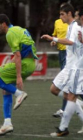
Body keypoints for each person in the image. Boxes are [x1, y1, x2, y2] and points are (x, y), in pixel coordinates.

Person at [0, 14, 37, 136]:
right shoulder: (19, 29)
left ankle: (19, 94)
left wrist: (19, 76)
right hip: (31, 63)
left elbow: (18, 55)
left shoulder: (10, 33)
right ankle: (7, 124)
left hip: (24, 63)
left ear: (3, 24)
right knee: (5, 90)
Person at [41, 3, 83, 136]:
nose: (60, 17)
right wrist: (57, 41)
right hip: (69, 66)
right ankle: (65, 126)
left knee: (71, 96)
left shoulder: (76, 26)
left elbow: (71, 42)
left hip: (76, 67)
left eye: (62, 14)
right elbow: (71, 42)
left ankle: (63, 128)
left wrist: (53, 38)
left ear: (69, 14)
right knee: (55, 89)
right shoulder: (71, 26)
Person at [51, 17, 68, 118]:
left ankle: (64, 110)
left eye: (63, 13)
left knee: (66, 83)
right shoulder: (57, 22)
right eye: (60, 13)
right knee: (68, 85)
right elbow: (55, 35)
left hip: (69, 53)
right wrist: (54, 41)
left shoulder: (73, 24)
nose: (61, 16)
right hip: (61, 53)